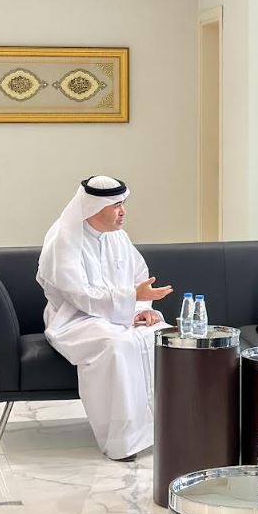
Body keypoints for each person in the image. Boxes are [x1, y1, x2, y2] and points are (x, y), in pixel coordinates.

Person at [37, 175, 171, 462]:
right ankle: (123, 442)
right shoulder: (64, 239)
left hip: (123, 315)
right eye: (116, 206)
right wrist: (131, 297)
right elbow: (79, 296)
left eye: (123, 204)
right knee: (117, 346)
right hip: (76, 320)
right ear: (94, 207)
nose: (123, 212)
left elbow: (139, 278)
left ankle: (167, 431)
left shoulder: (118, 237)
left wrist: (142, 308)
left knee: (164, 337)